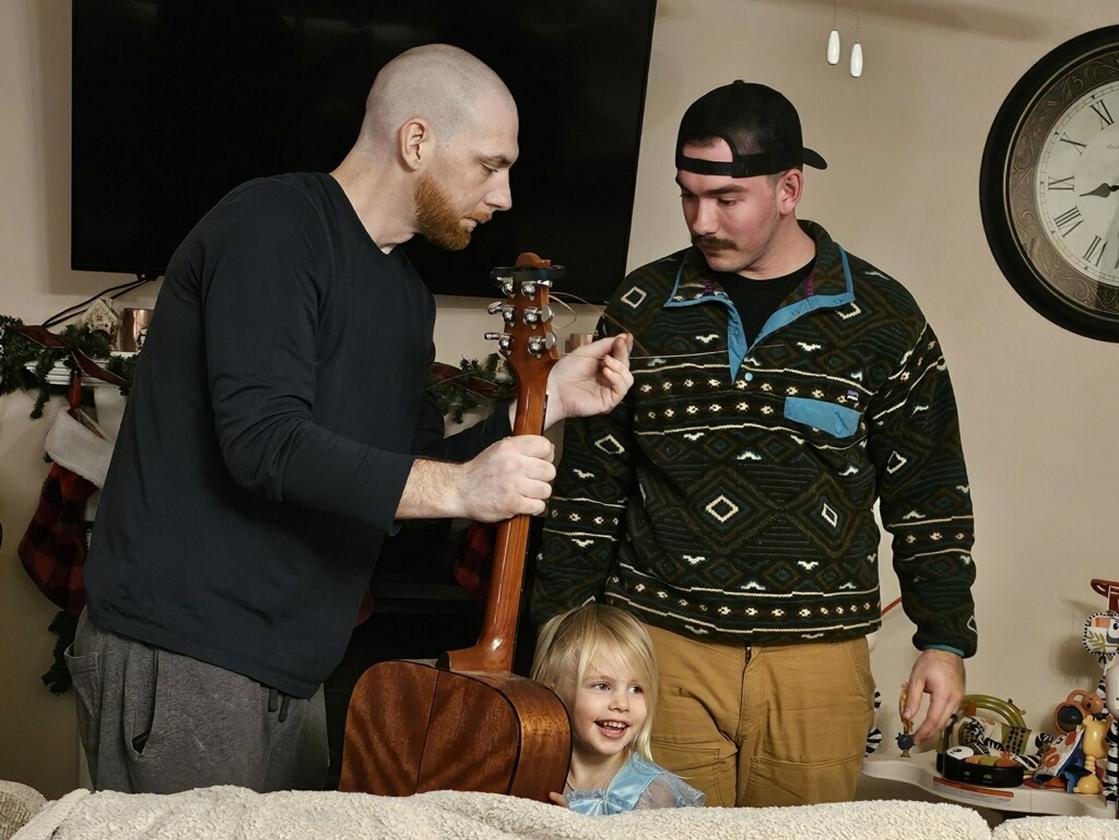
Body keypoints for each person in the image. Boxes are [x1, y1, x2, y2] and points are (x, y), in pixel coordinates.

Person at [69, 43, 633, 795]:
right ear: (416, 140)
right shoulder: (272, 225)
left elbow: (415, 476)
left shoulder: (405, 297)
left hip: (296, 669)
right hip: (184, 652)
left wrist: (549, 398)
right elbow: (263, 443)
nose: (502, 196)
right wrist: (462, 487)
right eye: (490, 165)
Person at [532, 80, 976, 808]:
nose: (701, 221)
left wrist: (944, 639)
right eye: (688, 196)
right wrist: (557, 637)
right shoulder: (641, 306)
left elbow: (928, 488)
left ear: (788, 188)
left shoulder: (886, 318)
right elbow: (589, 489)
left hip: (816, 666)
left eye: (726, 198)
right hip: (656, 652)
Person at [531, 603, 705, 815]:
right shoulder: (532, 773)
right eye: (602, 686)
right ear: (553, 690)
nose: (622, 704)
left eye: (636, 689)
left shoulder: (654, 794)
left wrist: (573, 827)